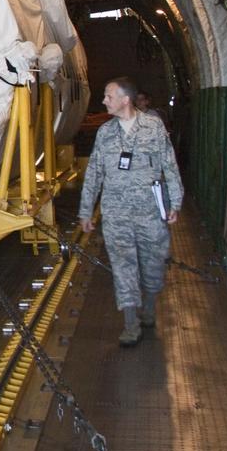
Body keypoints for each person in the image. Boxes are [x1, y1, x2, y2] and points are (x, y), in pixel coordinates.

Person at [79, 77, 183, 346]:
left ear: (125, 99)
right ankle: (130, 324)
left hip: (150, 214)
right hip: (116, 215)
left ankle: (148, 308)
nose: (104, 101)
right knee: (123, 268)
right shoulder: (105, 133)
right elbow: (94, 174)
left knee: (152, 266)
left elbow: (169, 165)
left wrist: (175, 202)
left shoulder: (154, 127)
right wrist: (86, 210)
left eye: (108, 96)